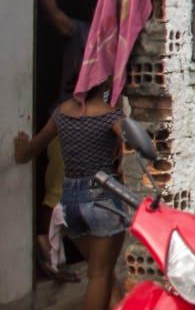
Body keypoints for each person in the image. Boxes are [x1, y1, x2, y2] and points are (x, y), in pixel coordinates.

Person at [14, 80, 126, 310]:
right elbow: (139, 145)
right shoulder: (110, 115)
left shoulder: (60, 113)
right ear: (102, 84)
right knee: (100, 275)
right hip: (102, 199)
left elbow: (26, 154)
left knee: (101, 270)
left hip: (70, 203)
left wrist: (21, 147)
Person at [35, 0, 88, 282]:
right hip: (66, 122)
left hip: (88, 127)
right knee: (57, 193)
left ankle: (56, 253)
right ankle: (49, 256)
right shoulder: (82, 32)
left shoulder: (115, 43)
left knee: (72, 193)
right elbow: (54, 14)